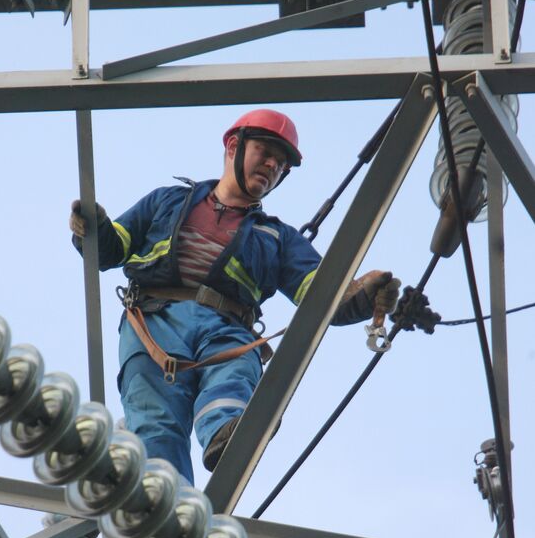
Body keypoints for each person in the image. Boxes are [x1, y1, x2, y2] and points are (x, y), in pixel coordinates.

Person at [70, 109, 399, 484]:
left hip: (226, 329)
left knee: (235, 374)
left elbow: (323, 296)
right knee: (155, 419)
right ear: (233, 146)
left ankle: (228, 434)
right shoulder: (167, 202)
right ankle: (168, 505)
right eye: (266, 151)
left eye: (282, 163)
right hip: (154, 323)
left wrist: (364, 291)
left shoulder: (277, 238)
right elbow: (112, 249)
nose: (273, 165)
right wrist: (92, 227)